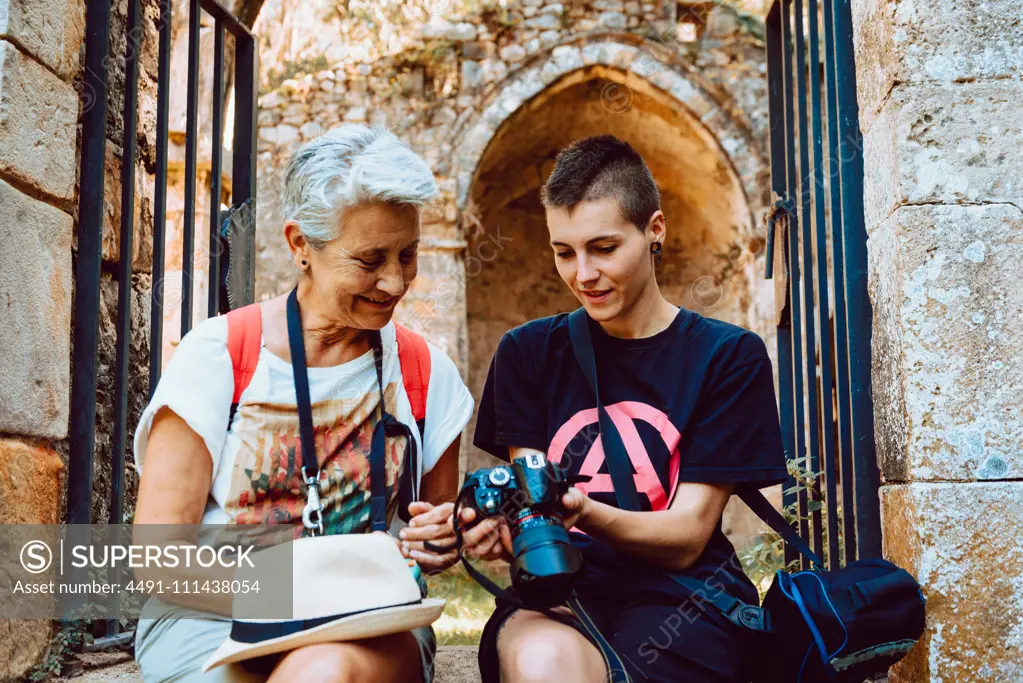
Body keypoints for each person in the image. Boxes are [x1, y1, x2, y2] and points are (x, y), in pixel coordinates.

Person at [132, 124, 480, 683]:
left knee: (324, 668)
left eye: (407, 255)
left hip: (369, 625)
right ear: (300, 246)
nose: (394, 283)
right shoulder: (220, 356)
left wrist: (441, 540)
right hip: (210, 616)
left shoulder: (425, 375)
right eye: (370, 260)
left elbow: (434, 539)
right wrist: (304, 596)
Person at [470, 134, 788, 683]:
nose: (583, 275)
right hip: (560, 587)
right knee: (544, 663)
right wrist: (500, 531)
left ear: (654, 230)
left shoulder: (727, 356)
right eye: (563, 252)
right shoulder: (526, 352)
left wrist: (580, 510)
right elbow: (532, 509)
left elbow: (687, 536)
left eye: (604, 247)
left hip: (686, 597)